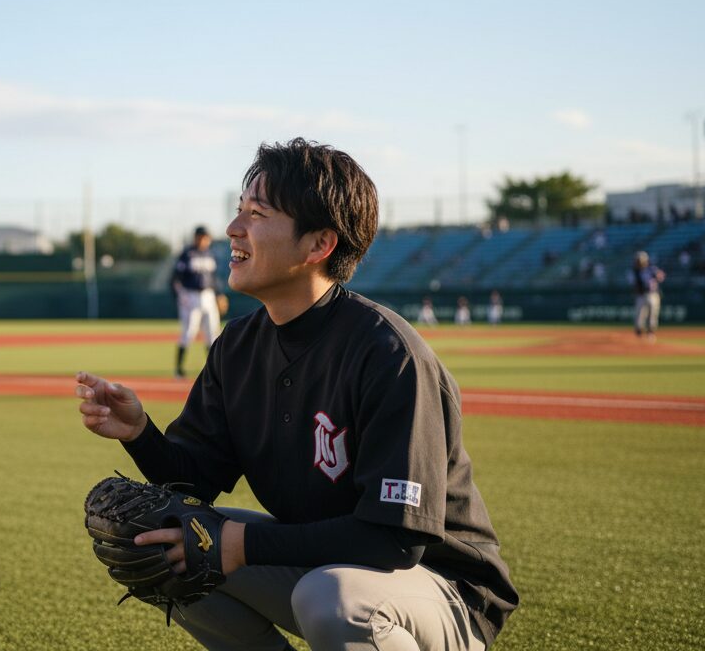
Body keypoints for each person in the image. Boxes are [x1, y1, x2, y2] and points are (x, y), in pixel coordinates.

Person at [76, 138, 517, 650]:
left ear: (318, 246)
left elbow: (395, 538)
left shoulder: (388, 353)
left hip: (444, 592)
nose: (233, 228)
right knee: (161, 536)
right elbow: (196, 478)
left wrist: (240, 544)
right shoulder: (237, 346)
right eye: (238, 210)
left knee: (331, 600)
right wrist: (140, 434)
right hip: (327, 570)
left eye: (257, 213)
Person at [171, 225, 225, 378]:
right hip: (191, 295)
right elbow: (175, 278)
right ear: (195, 237)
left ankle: (212, 369)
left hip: (208, 296)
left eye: (206, 237)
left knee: (212, 333)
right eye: (201, 236)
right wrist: (181, 296)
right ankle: (179, 369)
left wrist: (219, 295)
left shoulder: (210, 254)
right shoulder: (187, 254)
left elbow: (214, 279)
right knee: (189, 332)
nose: (203, 240)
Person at [631, 251, 665, 341]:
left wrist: (657, 277)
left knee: (652, 313)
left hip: (652, 294)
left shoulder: (651, 268)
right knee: (640, 314)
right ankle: (639, 331)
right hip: (642, 294)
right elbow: (635, 284)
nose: (638, 262)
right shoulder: (636, 271)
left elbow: (661, 276)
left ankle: (651, 332)